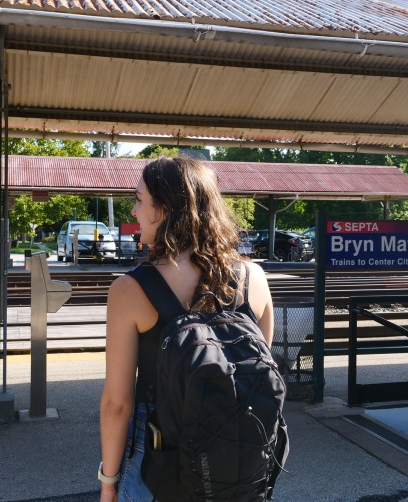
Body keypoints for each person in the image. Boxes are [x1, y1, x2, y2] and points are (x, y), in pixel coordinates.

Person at [98, 156, 275, 502]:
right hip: (237, 460)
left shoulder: (129, 290)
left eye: (138, 200)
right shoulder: (254, 277)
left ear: (163, 210)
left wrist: (108, 483)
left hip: (158, 456)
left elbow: (118, 405)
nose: (134, 211)